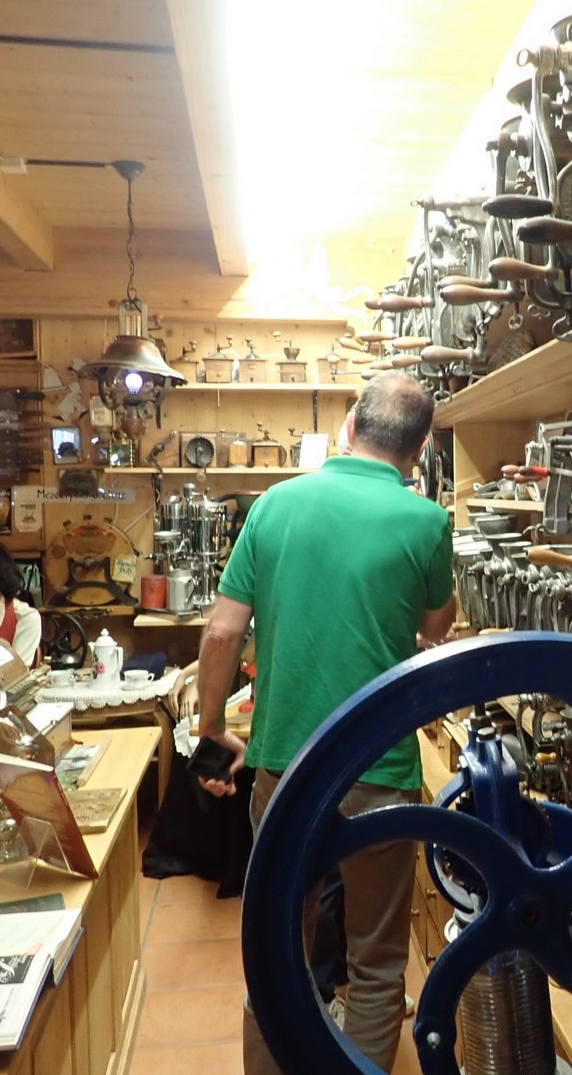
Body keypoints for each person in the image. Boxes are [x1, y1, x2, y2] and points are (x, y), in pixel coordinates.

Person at [194, 371, 456, 1074]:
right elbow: (437, 627)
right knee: (376, 965)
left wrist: (211, 727)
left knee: (275, 955)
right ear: (420, 450)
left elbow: (222, 633)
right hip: (381, 769)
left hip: (286, 768)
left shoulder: (274, 505)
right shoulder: (427, 520)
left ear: (348, 428)